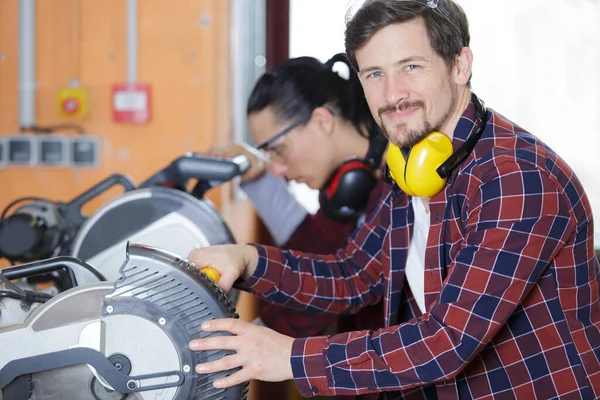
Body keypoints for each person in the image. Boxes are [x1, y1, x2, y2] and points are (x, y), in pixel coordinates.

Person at [186, 0, 600, 399]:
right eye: (374, 74)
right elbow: (352, 275)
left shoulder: (517, 179)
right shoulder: (409, 166)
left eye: (411, 67)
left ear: (460, 65)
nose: (392, 94)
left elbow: (446, 341)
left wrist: (291, 357)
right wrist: (248, 260)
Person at [206, 53, 388, 340]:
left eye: (278, 149)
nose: (276, 169)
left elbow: (330, 289)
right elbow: (311, 254)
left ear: (322, 121)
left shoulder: (400, 183)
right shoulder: (346, 191)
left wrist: (247, 338)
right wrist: (259, 175)